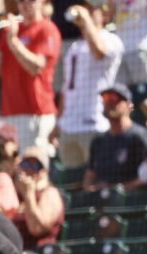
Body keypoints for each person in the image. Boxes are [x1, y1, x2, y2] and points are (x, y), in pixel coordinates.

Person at [0, 0, 62, 155]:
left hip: (36, 112)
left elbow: (36, 67)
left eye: (31, 0)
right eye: (21, 1)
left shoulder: (47, 29)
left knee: (32, 166)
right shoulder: (10, 30)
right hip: (9, 112)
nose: (26, 4)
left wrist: (13, 42)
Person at [55, 2, 124, 169]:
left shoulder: (112, 39)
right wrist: (58, 121)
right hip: (68, 126)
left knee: (95, 180)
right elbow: (66, 87)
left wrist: (86, 21)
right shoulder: (74, 46)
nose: (86, 14)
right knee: (70, 183)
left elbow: (99, 51)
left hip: (95, 124)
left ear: (105, 15)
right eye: (85, 10)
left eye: (92, 11)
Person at [84, 83, 147, 192]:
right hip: (101, 204)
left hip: (131, 203)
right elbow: (89, 176)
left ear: (128, 105)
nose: (109, 103)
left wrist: (116, 189)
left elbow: (144, 179)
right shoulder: (98, 141)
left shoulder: (140, 137)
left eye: (115, 98)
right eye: (105, 98)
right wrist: (90, 188)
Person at [13, 146, 64, 249]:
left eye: (35, 166)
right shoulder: (14, 191)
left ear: (43, 172)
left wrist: (29, 194)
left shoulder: (50, 193)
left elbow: (36, 228)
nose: (28, 170)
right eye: (25, 164)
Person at [108, 0, 147, 87]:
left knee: (143, 91)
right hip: (120, 52)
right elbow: (109, 15)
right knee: (122, 93)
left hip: (138, 50)